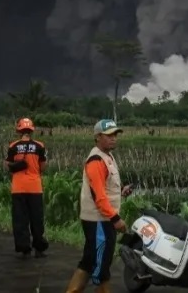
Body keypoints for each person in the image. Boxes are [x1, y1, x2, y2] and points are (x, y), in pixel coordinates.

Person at [65, 119, 133, 293]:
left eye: (115, 134)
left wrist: (121, 191)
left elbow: (106, 188)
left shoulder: (107, 156)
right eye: (109, 135)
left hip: (102, 220)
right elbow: (99, 195)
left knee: (89, 261)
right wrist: (116, 219)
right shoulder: (96, 160)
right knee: (101, 266)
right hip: (98, 221)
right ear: (98, 137)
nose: (114, 138)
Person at [4, 117, 49, 258]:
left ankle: (24, 248)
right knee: (37, 218)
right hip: (35, 187)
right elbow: (43, 166)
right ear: (31, 130)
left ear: (19, 130)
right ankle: (39, 248)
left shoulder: (13, 146)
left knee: (20, 219)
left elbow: (8, 167)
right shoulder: (39, 146)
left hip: (18, 188)